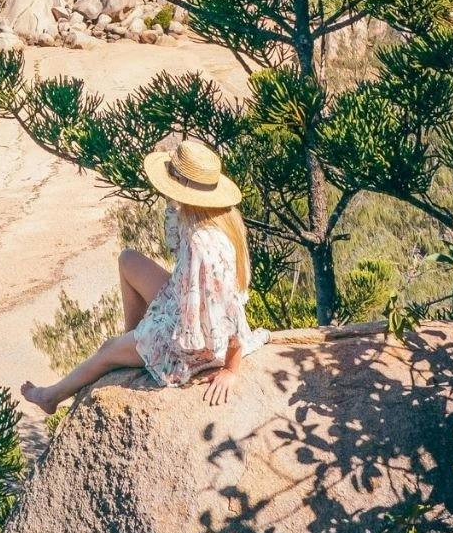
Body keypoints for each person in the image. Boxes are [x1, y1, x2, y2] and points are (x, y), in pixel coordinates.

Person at [20, 138, 269, 413]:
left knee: (106, 351)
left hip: (194, 342)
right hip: (183, 306)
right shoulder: (221, 217)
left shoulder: (203, 242)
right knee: (128, 260)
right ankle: (133, 343)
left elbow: (228, 309)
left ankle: (51, 396)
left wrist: (232, 369)